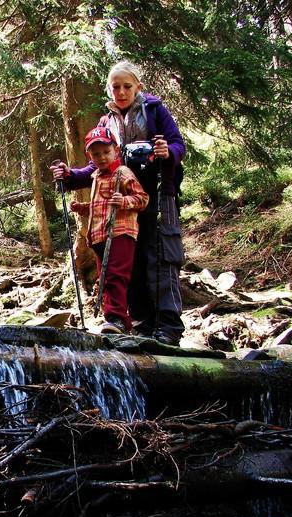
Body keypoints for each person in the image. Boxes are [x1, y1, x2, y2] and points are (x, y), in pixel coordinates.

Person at [52, 60, 186, 345]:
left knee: (161, 256)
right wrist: (69, 177)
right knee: (129, 262)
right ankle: (141, 324)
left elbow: (177, 144)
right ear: (109, 89)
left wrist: (166, 151)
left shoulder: (154, 111)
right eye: (116, 87)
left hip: (158, 194)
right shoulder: (106, 122)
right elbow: (97, 167)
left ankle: (168, 327)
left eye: (127, 86)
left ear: (138, 86)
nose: (121, 92)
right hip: (120, 205)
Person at [68, 126, 148, 335]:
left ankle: (118, 319)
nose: (102, 157)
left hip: (120, 233)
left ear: (116, 151)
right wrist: (83, 208)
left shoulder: (123, 173)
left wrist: (124, 201)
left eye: (106, 152)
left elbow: (142, 199)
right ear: (90, 156)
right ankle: (112, 319)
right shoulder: (95, 177)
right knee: (103, 277)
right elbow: (100, 207)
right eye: (96, 154)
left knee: (115, 276)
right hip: (99, 236)